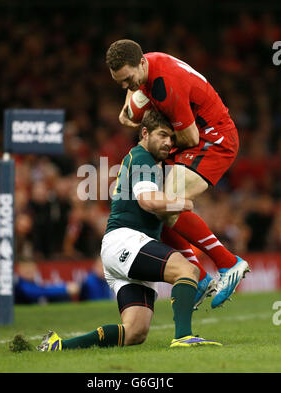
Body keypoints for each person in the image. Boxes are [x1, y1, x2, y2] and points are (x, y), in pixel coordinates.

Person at [37, 110, 222, 352]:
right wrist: (185, 203)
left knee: (134, 332)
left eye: (172, 138)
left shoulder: (146, 161)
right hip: (126, 240)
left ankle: (59, 346)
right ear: (144, 133)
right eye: (163, 135)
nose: (169, 142)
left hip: (126, 248)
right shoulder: (142, 157)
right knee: (187, 270)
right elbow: (148, 202)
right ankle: (184, 337)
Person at [105, 39, 250, 308]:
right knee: (157, 207)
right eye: (121, 83)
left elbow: (189, 135)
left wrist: (151, 133)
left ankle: (229, 263)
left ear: (141, 63)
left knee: (165, 203)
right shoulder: (145, 68)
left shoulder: (164, 86)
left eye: (128, 80)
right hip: (198, 137)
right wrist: (131, 108)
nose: (127, 87)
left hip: (213, 139)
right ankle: (201, 276)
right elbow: (127, 114)